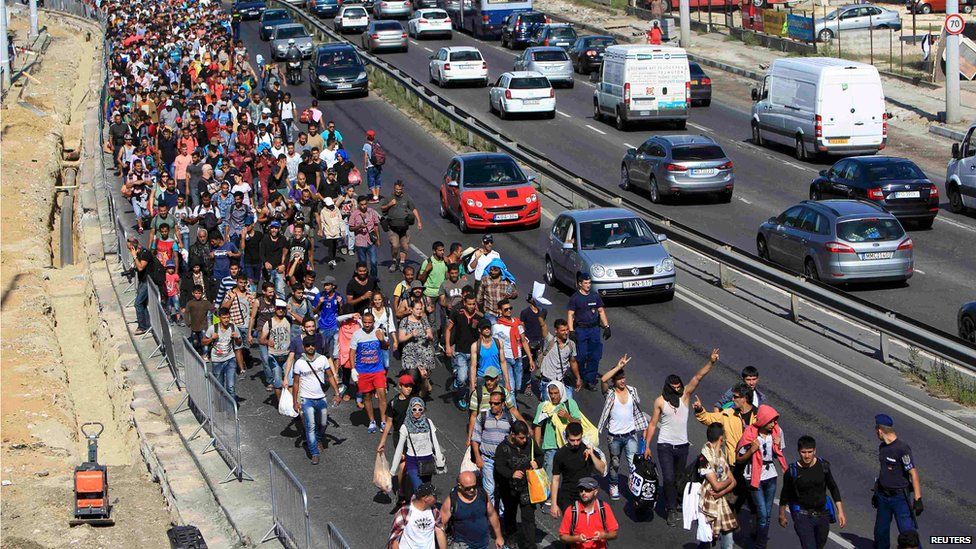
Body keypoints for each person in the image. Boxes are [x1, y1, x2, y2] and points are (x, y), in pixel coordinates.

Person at [643, 348, 721, 527]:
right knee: (668, 478)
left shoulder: (685, 395)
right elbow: (653, 424)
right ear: (668, 387)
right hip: (665, 445)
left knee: (678, 479)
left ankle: (676, 500)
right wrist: (647, 445)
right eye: (674, 388)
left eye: (679, 387)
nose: (678, 390)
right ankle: (671, 509)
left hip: (682, 446)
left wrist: (711, 361)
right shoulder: (660, 401)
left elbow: (698, 377)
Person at [778, 435, 847, 549]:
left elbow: (833, 487)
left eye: (810, 452)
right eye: (803, 452)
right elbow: (785, 494)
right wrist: (781, 515)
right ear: (799, 452)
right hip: (803, 515)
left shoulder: (823, 466)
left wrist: (840, 512)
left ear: (815, 450)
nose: (807, 455)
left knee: (819, 545)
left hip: (823, 514)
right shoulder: (792, 471)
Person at [735, 404, 787, 549]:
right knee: (762, 513)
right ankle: (760, 544)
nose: (773, 424)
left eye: (774, 421)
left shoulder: (777, 432)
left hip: (770, 476)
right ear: (763, 420)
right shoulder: (750, 433)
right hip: (754, 477)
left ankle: (760, 539)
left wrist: (777, 446)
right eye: (770, 421)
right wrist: (751, 450)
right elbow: (739, 458)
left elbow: (779, 454)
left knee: (767, 514)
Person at [597, 355, 647, 501]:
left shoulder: (632, 391)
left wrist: (643, 427)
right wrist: (618, 366)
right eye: (619, 378)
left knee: (633, 464)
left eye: (623, 377)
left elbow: (638, 411)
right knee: (615, 463)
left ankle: (635, 488)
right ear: (614, 381)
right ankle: (613, 485)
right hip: (615, 437)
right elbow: (603, 380)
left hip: (631, 435)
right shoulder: (610, 394)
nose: (622, 381)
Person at [872, 414, 922, 549]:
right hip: (883, 496)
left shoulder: (902, 449)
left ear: (880, 430)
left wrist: (918, 499)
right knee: (880, 532)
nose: (876, 433)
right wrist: (877, 492)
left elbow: (913, 473)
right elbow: (884, 472)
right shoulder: (882, 448)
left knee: (908, 534)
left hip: (899, 498)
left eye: (876, 430)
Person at [291, 336, 341, 464]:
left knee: (323, 423)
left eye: (312, 345)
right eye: (307, 345)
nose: (310, 347)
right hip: (306, 399)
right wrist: (295, 402)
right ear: (304, 347)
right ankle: (314, 452)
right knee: (310, 426)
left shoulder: (322, 359)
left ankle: (318, 439)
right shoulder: (299, 363)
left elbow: (330, 376)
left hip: (321, 398)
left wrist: (337, 393)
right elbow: (296, 383)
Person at [493, 421, 541, 549]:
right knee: (510, 514)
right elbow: (499, 467)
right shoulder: (502, 448)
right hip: (509, 488)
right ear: (513, 435)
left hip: (526, 487)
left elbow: (540, 455)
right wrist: (511, 474)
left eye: (525, 437)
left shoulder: (530, 443)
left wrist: (536, 462)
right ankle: (511, 538)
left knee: (529, 518)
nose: (524, 440)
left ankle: (530, 545)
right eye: (521, 438)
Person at [693, 422, 738, 549]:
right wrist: (727, 482)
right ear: (721, 438)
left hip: (721, 502)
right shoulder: (705, 458)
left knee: (728, 540)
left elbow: (733, 482)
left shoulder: (721, 455)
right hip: (707, 503)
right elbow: (717, 485)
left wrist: (722, 492)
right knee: (706, 540)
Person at [389, 398, 445, 500]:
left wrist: (439, 459)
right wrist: (392, 471)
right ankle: (414, 510)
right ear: (410, 409)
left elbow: (435, 441)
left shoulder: (428, 423)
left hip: (428, 462)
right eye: (414, 409)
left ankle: (424, 511)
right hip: (413, 463)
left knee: (427, 491)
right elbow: (399, 449)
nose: (417, 412)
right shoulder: (405, 427)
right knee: (419, 490)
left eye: (420, 409)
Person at [550, 423, 608, 518]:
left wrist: (592, 455)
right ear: (566, 438)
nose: (576, 443)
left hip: (587, 495)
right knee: (572, 526)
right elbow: (555, 479)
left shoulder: (588, 450)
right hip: (568, 496)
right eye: (572, 440)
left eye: (578, 439)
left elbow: (602, 469)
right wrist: (553, 504)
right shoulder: (560, 454)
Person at [470, 387, 516, 505]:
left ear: (503, 404)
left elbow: (515, 440)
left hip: (504, 461)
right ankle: (490, 516)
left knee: (504, 489)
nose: (493, 406)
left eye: (496, 403)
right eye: (491, 403)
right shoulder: (483, 416)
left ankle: (501, 517)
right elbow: (475, 439)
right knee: (489, 489)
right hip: (487, 460)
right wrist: (478, 458)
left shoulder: (510, 419)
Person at [439, 471, 505, 549]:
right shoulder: (452, 501)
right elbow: (440, 524)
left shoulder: (482, 494)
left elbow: (492, 515)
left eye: (474, 486)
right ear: (459, 486)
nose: (472, 490)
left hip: (483, 543)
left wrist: (499, 537)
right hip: (463, 545)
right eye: (468, 488)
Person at [567, 272, 610, 391]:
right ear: (580, 284)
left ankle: (590, 380)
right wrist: (571, 331)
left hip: (594, 330)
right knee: (581, 356)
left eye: (589, 283)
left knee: (595, 356)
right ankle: (579, 376)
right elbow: (570, 314)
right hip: (581, 330)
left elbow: (601, 311)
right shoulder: (575, 298)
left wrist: (606, 326)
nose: (588, 285)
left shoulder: (595, 296)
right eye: (585, 283)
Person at [350, 311, 390, 434]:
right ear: (362, 322)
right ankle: (372, 421)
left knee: (382, 394)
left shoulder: (378, 331)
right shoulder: (357, 335)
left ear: (373, 322)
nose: (367, 325)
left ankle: (383, 421)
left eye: (369, 323)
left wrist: (382, 340)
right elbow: (352, 353)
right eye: (365, 322)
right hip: (363, 371)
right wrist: (353, 369)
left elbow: (386, 347)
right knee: (367, 396)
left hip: (377, 369)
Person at [534, 381, 581, 481]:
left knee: (569, 476)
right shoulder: (543, 406)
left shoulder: (570, 403)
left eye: (556, 393)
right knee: (548, 477)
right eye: (551, 393)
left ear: (561, 392)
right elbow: (538, 426)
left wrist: (567, 416)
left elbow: (578, 423)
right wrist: (537, 448)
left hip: (568, 445)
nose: (553, 396)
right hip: (551, 446)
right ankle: (549, 496)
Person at [558, 477, 619, 549]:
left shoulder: (604, 508)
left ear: (595, 491)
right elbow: (562, 537)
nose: (583, 493)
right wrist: (577, 539)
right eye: (581, 490)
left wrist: (603, 536)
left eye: (587, 490)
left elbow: (614, 534)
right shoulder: (571, 510)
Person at [445, 294, 482, 409]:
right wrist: (448, 346)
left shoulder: (479, 316)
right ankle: (461, 395)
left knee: (472, 379)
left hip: (474, 352)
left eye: (473, 304)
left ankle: (470, 398)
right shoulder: (457, 313)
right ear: (464, 303)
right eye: (469, 304)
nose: (472, 306)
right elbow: (448, 329)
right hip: (460, 351)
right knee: (462, 378)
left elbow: (483, 335)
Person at [389, 483, 447, 549]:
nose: (436, 499)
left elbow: (440, 531)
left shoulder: (434, 511)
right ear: (426, 498)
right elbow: (394, 539)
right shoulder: (405, 511)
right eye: (434, 496)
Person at [381, 180, 422, 272]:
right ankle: (394, 261)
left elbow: (413, 209)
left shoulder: (407, 198)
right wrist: (390, 204)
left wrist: (419, 221)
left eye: (399, 189)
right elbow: (382, 208)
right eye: (396, 189)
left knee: (405, 246)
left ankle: (402, 263)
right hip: (393, 227)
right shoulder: (389, 197)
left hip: (404, 227)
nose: (398, 191)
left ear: (402, 189)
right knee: (395, 245)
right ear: (394, 188)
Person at [203, 307, 243, 399]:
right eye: (224, 318)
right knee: (219, 386)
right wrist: (211, 338)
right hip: (217, 360)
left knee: (231, 386)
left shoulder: (233, 327)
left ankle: (232, 409)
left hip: (230, 359)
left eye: (228, 317)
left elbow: (239, 344)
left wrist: (237, 338)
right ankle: (220, 406)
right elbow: (203, 342)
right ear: (220, 317)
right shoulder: (213, 328)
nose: (226, 320)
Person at [536, 318, 582, 400]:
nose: (566, 332)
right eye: (563, 330)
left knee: (569, 402)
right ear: (556, 331)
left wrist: (578, 378)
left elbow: (573, 362)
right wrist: (537, 309)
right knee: (548, 407)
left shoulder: (571, 344)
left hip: (561, 381)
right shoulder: (549, 340)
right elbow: (543, 325)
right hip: (547, 381)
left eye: (567, 329)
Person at [399, 300, 436, 397]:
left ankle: (420, 399)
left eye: (420, 309)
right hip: (410, 353)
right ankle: (412, 394)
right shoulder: (405, 321)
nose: (419, 311)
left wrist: (429, 336)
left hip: (424, 351)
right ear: (411, 309)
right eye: (417, 309)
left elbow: (431, 336)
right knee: (413, 376)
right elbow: (401, 338)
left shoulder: (424, 320)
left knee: (423, 377)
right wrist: (411, 334)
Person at [260, 299, 293, 401]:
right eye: (278, 308)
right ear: (274, 309)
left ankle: (292, 403)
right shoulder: (269, 323)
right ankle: (280, 403)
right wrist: (267, 342)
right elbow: (261, 339)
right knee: (278, 382)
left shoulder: (288, 319)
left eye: (282, 309)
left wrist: (290, 311)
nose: (281, 310)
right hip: (274, 357)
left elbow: (302, 321)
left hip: (287, 356)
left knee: (290, 380)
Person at [470, 319, 510, 395]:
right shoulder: (475, 346)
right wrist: (472, 385)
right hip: (482, 378)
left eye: (488, 327)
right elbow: (473, 366)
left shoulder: (498, 343)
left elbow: (503, 362)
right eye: (484, 328)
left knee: (499, 403)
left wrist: (507, 382)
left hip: (497, 377)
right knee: (483, 404)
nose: (487, 329)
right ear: (479, 330)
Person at [128, 236, 159, 335]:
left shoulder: (145, 253)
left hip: (147, 282)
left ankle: (142, 327)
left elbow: (141, 267)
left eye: (130, 248)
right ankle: (147, 324)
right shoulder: (139, 253)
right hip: (143, 281)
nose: (129, 250)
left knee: (137, 303)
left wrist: (134, 256)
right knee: (143, 304)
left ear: (134, 247)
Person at [348, 195, 381, 279]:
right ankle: (364, 278)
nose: (364, 206)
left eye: (365, 204)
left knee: (374, 262)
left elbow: (376, 226)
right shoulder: (354, 214)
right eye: (362, 204)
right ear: (359, 204)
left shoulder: (371, 212)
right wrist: (359, 226)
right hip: (360, 242)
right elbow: (351, 228)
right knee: (363, 263)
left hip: (371, 241)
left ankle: (374, 278)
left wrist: (378, 239)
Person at [313, 275, 344, 356]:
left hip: (335, 327)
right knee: (322, 351)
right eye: (324, 285)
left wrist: (340, 304)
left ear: (333, 286)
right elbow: (314, 312)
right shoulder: (319, 296)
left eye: (327, 285)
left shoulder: (338, 297)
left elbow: (341, 313)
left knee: (335, 353)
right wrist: (319, 304)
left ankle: (334, 367)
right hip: (322, 327)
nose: (325, 287)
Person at [363, 130, 383, 203]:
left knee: (371, 181)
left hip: (371, 166)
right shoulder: (377, 144)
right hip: (378, 165)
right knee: (377, 180)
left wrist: (365, 166)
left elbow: (366, 156)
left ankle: (375, 197)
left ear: (367, 136)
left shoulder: (366, 145)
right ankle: (377, 195)